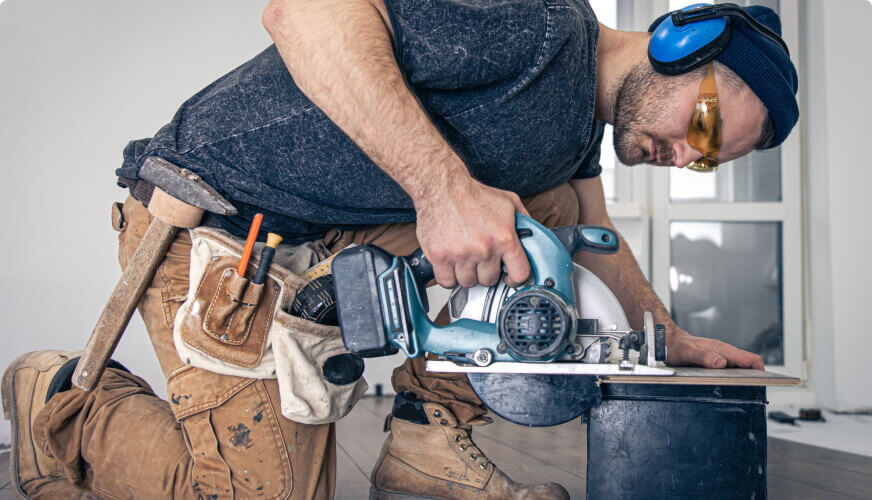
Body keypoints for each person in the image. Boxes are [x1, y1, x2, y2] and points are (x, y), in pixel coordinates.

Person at [2, 1, 797, 498]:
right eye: (702, 128)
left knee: (551, 217)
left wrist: (665, 332)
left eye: (706, 161)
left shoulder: (574, 126)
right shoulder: (534, 22)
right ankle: (62, 406)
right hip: (220, 231)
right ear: (682, 39)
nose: (684, 157)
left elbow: (592, 230)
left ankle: (425, 434)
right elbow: (304, 13)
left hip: (320, 238)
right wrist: (442, 190)